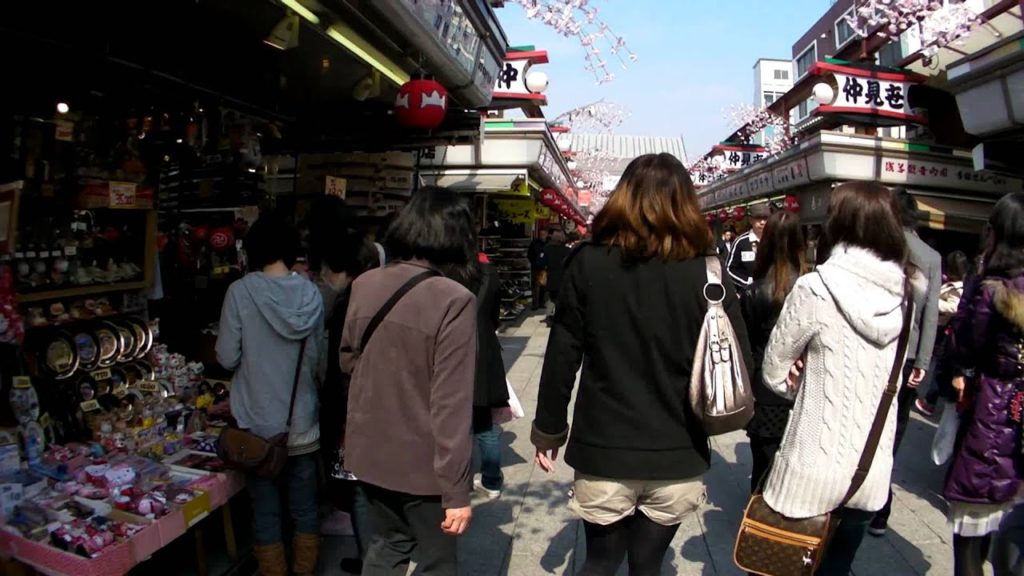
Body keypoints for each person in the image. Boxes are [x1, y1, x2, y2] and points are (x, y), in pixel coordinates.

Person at [531, 153, 752, 576]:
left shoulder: (588, 262)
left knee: (599, 561)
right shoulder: (707, 272)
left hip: (603, 446)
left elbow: (562, 354)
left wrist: (549, 429)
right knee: (648, 563)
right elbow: (739, 353)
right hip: (679, 448)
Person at [760, 182, 921, 574]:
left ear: (839, 225)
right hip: (869, 471)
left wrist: (801, 382)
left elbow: (773, 371)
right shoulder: (906, 294)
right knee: (837, 567)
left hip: (810, 471)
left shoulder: (815, 287)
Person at [341, 186, 477, 576]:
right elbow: (451, 402)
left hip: (369, 452)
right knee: (437, 560)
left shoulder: (365, 284)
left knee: (387, 545)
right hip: (424, 464)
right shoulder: (454, 299)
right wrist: (456, 491)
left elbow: (348, 361)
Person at [215, 214, 325, 576]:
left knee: (264, 509)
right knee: (306, 507)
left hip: (257, 424)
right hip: (302, 419)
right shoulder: (311, 292)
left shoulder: (241, 292)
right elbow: (316, 361)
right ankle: (304, 570)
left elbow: (227, 356)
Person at [943, 191, 1024, 576]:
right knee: (1005, 530)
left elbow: (964, 345)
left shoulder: (990, 289)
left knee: (970, 543)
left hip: (990, 415)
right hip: (1018, 416)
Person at [307, 196, 378, 575]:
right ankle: (370, 554)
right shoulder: (370, 294)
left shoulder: (349, 303)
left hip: (353, 411)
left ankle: (371, 559)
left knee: (360, 490)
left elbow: (340, 366)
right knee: (364, 489)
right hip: (367, 409)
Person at [870, 188, 942, 538]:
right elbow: (931, 317)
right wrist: (924, 360)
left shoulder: (879, 248)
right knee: (895, 429)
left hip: (876, 349)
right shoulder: (930, 256)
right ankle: (880, 509)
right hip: (910, 352)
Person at [740, 210, 807, 493]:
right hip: (803, 387)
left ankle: (758, 524)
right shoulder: (811, 287)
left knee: (763, 465)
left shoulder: (755, 290)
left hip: (765, 388)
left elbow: (747, 342)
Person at [472, 252, 510, 500]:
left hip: (452, 353)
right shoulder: (489, 272)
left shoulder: (445, 272)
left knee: (453, 425)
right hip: (484, 352)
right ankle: (492, 479)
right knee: (485, 423)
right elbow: (495, 317)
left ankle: (457, 480)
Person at [915, 250, 970, 416]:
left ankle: (930, 401)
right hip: (942, 328)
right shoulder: (952, 282)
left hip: (945, 330)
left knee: (939, 366)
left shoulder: (959, 288)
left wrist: (934, 303)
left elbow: (954, 307)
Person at [727, 203, 771, 287]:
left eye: (765, 219)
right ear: (751, 220)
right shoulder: (741, 242)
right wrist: (748, 282)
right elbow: (729, 269)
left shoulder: (774, 240)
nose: (762, 222)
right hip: (748, 294)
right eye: (758, 218)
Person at [543, 228, 571, 324]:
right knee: (561, 297)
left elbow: (540, 262)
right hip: (563, 278)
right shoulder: (567, 250)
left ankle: (549, 316)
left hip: (551, 276)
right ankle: (560, 316)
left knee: (551, 297)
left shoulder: (547, 249)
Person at [529, 227, 549, 310]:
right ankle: (535, 304)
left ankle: (541, 303)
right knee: (536, 286)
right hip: (535, 267)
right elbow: (530, 254)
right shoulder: (534, 243)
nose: (542, 236)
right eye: (541, 234)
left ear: (546, 235)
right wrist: (533, 262)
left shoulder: (548, 244)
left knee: (543, 286)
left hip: (544, 268)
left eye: (543, 234)